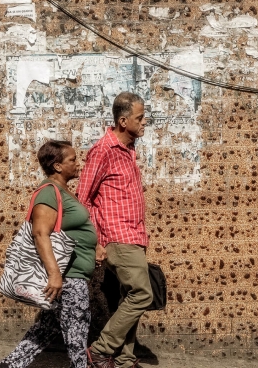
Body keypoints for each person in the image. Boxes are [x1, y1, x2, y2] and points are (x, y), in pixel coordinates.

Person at [0, 140, 98, 368]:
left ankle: (9, 366)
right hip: (68, 277)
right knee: (77, 332)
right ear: (58, 166)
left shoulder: (62, 191)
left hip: (71, 275)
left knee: (45, 330)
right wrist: (54, 274)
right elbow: (40, 234)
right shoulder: (48, 193)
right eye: (72, 159)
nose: (77, 164)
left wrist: (94, 247)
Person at [78, 92, 152, 368]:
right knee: (142, 294)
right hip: (117, 237)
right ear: (123, 121)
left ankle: (124, 361)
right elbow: (83, 198)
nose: (145, 122)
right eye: (140, 118)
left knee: (128, 297)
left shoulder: (129, 147)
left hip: (133, 235)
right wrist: (95, 243)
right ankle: (100, 349)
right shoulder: (104, 150)